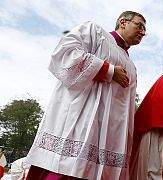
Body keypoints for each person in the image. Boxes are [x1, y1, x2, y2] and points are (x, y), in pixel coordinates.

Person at [25, 11, 146, 180]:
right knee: (67, 169)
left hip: (110, 137)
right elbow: (65, 53)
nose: (143, 32)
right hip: (81, 123)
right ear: (123, 22)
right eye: (139, 25)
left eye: (144, 30)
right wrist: (107, 70)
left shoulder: (132, 66)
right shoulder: (95, 32)